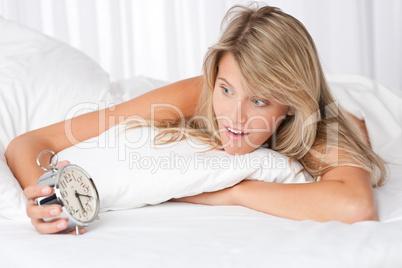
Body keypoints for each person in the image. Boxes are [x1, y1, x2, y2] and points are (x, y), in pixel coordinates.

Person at [5, 3, 386, 234]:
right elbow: (29, 143)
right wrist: (47, 200)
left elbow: (355, 205)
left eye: (258, 100)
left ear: (289, 104)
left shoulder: (321, 127)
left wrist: (232, 192)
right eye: (226, 90)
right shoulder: (199, 93)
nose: (234, 117)